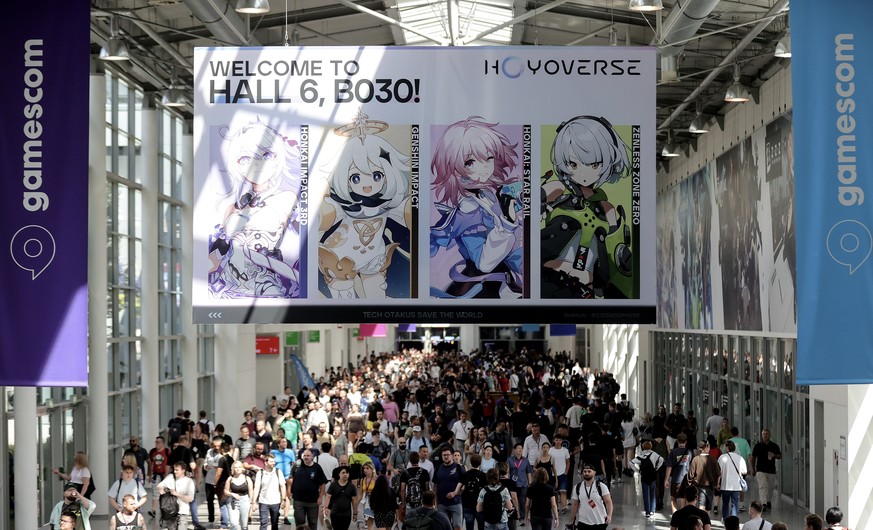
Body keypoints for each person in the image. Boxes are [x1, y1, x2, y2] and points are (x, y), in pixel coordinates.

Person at [318, 111, 412, 299]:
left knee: (376, 300)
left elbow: (406, 214)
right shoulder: (343, 205)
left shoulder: (387, 205)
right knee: (345, 301)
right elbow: (326, 215)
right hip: (340, 259)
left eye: (377, 175)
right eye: (356, 177)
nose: (366, 184)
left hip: (374, 257)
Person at [207, 119, 303, 299]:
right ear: (237, 164)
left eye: (266, 155)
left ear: (278, 157)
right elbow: (216, 254)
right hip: (230, 282)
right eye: (246, 159)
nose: (256, 165)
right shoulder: (233, 208)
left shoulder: (287, 199)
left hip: (269, 279)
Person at [430, 116, 523, 299]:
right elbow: (484, 262)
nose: (484, 168)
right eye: (470, 162)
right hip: (485, 287)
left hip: (505, 280)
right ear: (453, 169)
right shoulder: (467, 212)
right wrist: (506, 226)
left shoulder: (487, 196)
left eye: (488, 158)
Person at [540, 115, 631, 298]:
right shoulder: (559, 189)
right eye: (573, 164)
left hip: (586, 288)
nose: (583, 173)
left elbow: (616, 257)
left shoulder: (606, 208)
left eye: (594, 164)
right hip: (550, 280)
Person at [290, 448, 329, 529]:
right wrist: (289, 492)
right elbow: (291, 479)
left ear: (312, 457)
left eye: (308, 455)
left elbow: (322, 483)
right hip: (298, 500)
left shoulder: (317, 467)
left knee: (313, 523)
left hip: (313, 501)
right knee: (300, 523)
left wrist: (320, 497)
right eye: (304, 455)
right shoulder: (297, 465)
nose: (306, 457)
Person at [567, 463, 612, 530]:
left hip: (599, 522)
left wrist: (609, 516)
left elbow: (608, 502)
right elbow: (575, 505)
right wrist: (571, 520)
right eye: (585, 471)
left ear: (594, 473)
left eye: (589, 471)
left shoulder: (601, 486)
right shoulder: (578, 487)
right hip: (583, 522)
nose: (586, 473)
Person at [630, 440, 664, 518]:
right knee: (652, 493)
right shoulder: (654, 454)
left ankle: (647, 511)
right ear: (651, 447)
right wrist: (657, 468)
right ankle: (653, 510)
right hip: (652, 475)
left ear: (643, 447)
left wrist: (637, 471)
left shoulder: (641, 455)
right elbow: (661, 459)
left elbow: (631, 463)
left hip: (644, 476)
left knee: (645, 493)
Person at [433, 445, 464, 530]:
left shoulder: (459, 468)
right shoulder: (438, 467)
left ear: (452, 455)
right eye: (444, 455)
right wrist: (436, 501)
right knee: (443, 527)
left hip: (456, 503)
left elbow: (464, 486)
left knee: (457, 527)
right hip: (442, 504)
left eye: (448, 455)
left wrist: (455, 493)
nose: (446, 457)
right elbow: (435, 485)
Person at [253, 453, 287, 530]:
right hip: (263, 501)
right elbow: (257, 488)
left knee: (275, 523)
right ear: (266, 462)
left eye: (274, 461)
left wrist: (283, 500)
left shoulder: (278, 472)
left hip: (275, 502)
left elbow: (282, 486)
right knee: (263, 523)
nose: (274, 463)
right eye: (271, 461)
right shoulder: (260, 473)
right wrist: (253, 502)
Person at [157, 462, 196, 530]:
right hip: (170, 512)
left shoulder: (189, 481)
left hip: (183, 512)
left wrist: (177, 494)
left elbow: (190, 499)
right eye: (174, 469)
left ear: (183, 470)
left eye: (177, 470)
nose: (175, 471)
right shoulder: (170, 477)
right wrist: (161, 489)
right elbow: (160, 485)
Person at [750, 429, 782, 511]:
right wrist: (753, 469)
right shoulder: (758, 446)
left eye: (766, 434)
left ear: (769, 435)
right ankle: (763, 503)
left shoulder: (774, 446)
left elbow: (780, 456)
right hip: (760, 469)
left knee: (770, 487)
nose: (765, 435)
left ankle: (768, 501)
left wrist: (774, 455)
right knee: (762, 486)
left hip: (771, 470)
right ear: (761, 435)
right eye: (763, 434)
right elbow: (753, 457)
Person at [687, 440, 720, 513]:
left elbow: (691, 474)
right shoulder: (713, 459)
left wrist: (690, 484)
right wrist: (717, 484)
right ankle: (706, 521)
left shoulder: (695, 459)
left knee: (701, 504)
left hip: (699, 486)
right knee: (708, 507)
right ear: (706, 448)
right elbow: (718, 473)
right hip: (710, 486)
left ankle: (701, 521)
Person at [717, 440, 747, 519]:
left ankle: (725, 520)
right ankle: (733, 521)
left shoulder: (722, 458)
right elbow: (744, 471)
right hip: (736, 486)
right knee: (734, 505)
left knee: (725, 504)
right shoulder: (740, 458)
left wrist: (718, 484)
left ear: (726, 448)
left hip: (725, 485)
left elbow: (718, 472)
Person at [665, 433, 693, 512]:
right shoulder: (690, 452)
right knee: (683, 497)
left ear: (677, 441)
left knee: (673, 498)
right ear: (686, 442)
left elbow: (669, 466)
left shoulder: (673, 452)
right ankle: (683, 515)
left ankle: (675, 515)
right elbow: (692, 466)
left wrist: (666, 479)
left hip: (676, 479)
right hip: (686, 478)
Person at [325, 465, 359, 530]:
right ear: (339, 474)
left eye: (347, 473)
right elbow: (328, 496)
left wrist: (355, 513)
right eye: (343, 473)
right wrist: (326, 507)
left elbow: (354, 501)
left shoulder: (352, 486)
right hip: (335, 513)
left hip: (346, 514)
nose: (345, 474)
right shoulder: (333, 485)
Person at [727, 427, 752, 512]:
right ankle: (741, 504)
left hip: (730, 467)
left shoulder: (728, 442)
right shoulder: (744, 441)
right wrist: (750, 467)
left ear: (731, 433)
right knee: (741, 484)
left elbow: (724, 454)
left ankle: (733, 503)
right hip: (741, 467)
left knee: (731, 486)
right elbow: (749, 456)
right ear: (738, 433)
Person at [459, 454, 487, 530]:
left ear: (470, 463)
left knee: (469, 526)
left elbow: (459, 488)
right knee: (481, 527)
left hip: (468, 504)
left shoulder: (465, 474)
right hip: (480, 505)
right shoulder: (483, 476)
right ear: (480, 463)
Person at [506, 444, 532, 524]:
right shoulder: (509, 460)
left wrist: (530, 483)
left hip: (523, 483)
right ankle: (514, 515)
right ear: (514, 450)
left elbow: (528, 472)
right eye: (518, 448)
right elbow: (507, 472)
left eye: (521, 448)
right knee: (513, 500)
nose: (520, 450)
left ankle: (522, 517)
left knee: (522, 501)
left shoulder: (525, 460)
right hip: (513, 484)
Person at [224, 460, 253, 530]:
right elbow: (225, 491)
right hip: (233, 502)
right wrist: (232, 494)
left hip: (245, 501)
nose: (238, 468)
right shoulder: (230, 479)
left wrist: (252, 502)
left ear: (242, 468)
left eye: (239, 467)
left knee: (244, 525)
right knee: (234, 524)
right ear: (233, 469)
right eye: (236, 467)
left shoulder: (247, 478)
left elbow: (251, 491)